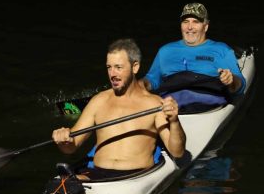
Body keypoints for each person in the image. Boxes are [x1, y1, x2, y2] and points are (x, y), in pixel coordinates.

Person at [52, 39, 186, 179]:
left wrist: (174, 121)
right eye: (109, 67)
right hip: (96, 174)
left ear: (135, 67)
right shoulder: (99, 101)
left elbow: (177, 152)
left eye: (118, 67)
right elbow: (71, 147)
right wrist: (63, 140)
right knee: (58, 187)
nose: (112, 74)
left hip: (135, 177)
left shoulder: (154, 104)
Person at [143, 3, 245, 102]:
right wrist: (137, 85)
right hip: (170, 104)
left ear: (205, 27)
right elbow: (151, 80)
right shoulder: (165, 51)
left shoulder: (222, 50)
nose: (189, 27)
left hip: (207, 104)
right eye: (185, 21)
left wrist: (231, 81)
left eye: (196, 22)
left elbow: (240, 85)